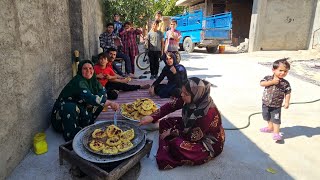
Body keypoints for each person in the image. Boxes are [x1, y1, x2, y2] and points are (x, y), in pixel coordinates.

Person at [139, 77, 225, 170]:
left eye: (185, 93)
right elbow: (171, 106)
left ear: (196, 94)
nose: (182, 95)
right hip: (190, 127)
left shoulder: (207, 114)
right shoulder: (191, 97)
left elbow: (193, 137)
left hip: (205, 141)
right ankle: (170, 142)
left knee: (177, 144)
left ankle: (172, 144)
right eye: (182, 91)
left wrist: (171, 131)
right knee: (165, 122)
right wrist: (152, 117)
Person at [51, 60, 119, 141]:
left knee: (98, 104)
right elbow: (90, 98)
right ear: (80, 70)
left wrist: (105, 101)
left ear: (93, 70)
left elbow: (103, 93)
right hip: (63, 115)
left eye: (90, 68)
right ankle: (71, 136)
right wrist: (109, 103)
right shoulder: (79, 81)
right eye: (85, 69)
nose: (88, 71)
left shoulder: (93, 81)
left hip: (80, 106)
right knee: (70, 107)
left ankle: (84, 123)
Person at [259, 58, 291, 141]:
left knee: (276, 120)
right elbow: (261, 83)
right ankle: (270, 127)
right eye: (280, 70)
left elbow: (288, 92)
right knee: (266, 116)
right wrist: (272, 82)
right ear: (273, 70)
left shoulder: (285, 83)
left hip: (276, 106)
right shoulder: (268, 78)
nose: (283, 73)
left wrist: (287, 102)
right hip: (265, 103)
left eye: (285, 71)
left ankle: (276, 133)